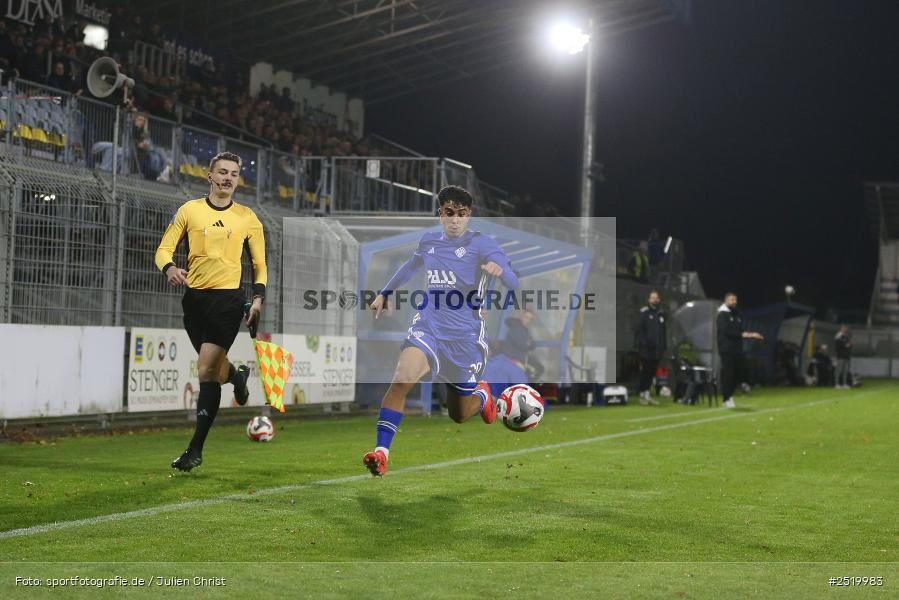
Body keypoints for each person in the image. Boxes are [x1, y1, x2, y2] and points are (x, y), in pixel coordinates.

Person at [362, 185, 519, 477]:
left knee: (458, 414)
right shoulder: (429, 242)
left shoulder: (482, 244)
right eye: (449, 213)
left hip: (466, 340)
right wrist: (385, 292)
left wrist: (501, 272)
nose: (455, 220)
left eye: (461, 214)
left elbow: (513, 278)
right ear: (440, 214)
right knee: (401, 380)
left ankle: (483, 398)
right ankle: (381, 453)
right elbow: (410, 267)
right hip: (429, 328)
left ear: (469, 215)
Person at [155, 151, 266, 471]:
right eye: (223, 172)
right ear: (210, 176)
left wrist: (257, 299)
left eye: (234, 173)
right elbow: (163, 248)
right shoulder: (189, 211)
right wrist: (169, 268)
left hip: (228, 303)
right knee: (215, 369)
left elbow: (259, 264)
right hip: (194, 302)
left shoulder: (248, 217)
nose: (229, 178)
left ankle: (195, 450)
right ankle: (238, 375)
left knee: (205, 370)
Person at [716, 292, 763, 408]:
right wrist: (748, 335)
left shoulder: (736, 315)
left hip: (737, 350)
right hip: (726, 349)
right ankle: (726, 398)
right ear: (726, 300)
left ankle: (730, 395)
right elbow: (727, 331)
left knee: (737, 373)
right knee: (729, 374)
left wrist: (751, 334)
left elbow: (741, 331)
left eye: (735, 300)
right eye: (732, 300)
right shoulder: (722, 314)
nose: (734, 302)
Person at [636, 290, 667, 405]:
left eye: (656, 298)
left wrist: (664, 346)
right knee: (645, 372)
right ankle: (642, 394)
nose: (655, 300)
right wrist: (644, 345)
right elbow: (640, 330)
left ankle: (647, 393)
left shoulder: (660, 314)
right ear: (649, 300)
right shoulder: (644, 312)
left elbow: (663, 332)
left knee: (652, 372)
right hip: (646, 350)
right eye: (652, 298)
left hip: (657, 351)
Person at [502, 308, 543, 380]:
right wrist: (528, 344)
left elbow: (532, 344)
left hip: (521, 357)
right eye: (526, 317)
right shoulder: (516, 327)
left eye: (530, 319)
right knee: (537, 369)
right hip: (513, 357)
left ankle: (525, 386)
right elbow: (523, 345)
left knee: (539, 368)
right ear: (521, 316)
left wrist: (528, 343)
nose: (527, 320)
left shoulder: (524, 329)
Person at [834, 324, 853, 389]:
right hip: (840, 356)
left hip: (846, 356)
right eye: (844, 328)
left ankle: (844, 384)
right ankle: (836, 384)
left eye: (846, 328)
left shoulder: (846, 336)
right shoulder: (838, 335)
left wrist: (849, 345)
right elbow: (838, 346)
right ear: (841, 328)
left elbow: (850, 344)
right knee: (838, 370)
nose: (845, 329)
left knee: (845, 371)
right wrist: (845, 345)